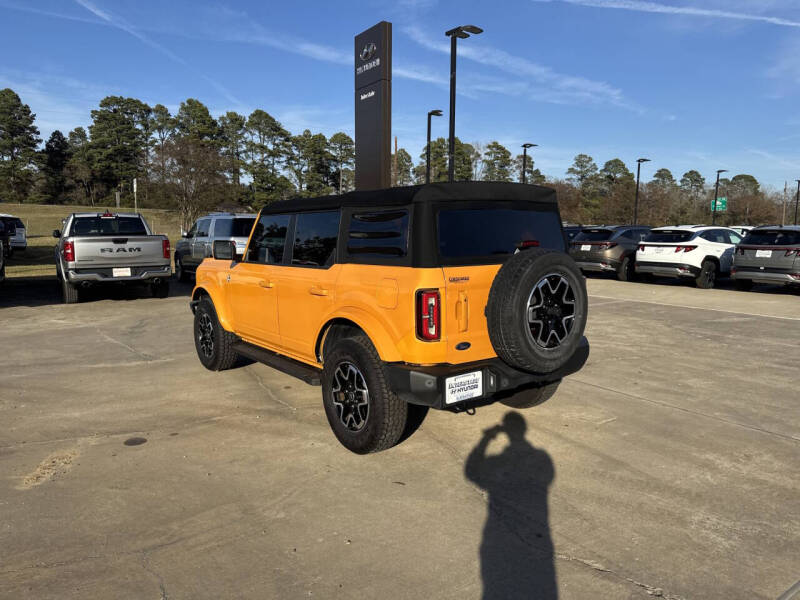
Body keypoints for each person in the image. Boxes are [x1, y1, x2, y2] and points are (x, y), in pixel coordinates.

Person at [465, 411, 557, 600]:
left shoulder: (498, 462)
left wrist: (486, 438)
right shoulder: (542, 458)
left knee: (495, 577)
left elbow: (472, 472)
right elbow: (547, 477)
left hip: (500, 533)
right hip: (539, 534)